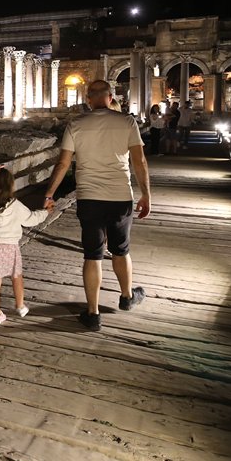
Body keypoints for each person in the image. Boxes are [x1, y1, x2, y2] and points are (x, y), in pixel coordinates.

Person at [42, 80, 150, 331]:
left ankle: (93, 313)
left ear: (88, 99)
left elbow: (63, 163)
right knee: (121, 250)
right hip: (120, 196)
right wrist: (146, 194)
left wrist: (49, 194)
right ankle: (127, 297)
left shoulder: (76, 124)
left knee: (93, 254)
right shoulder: (127, 122)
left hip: (89, 197)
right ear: (110, 97)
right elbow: (140, 161)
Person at [0, 165, 49, 324]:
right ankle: (20, 306)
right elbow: (31, 219)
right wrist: (46, 212)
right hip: (11, 247)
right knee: (16, 276)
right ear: (12, 185)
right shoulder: (15, 206)